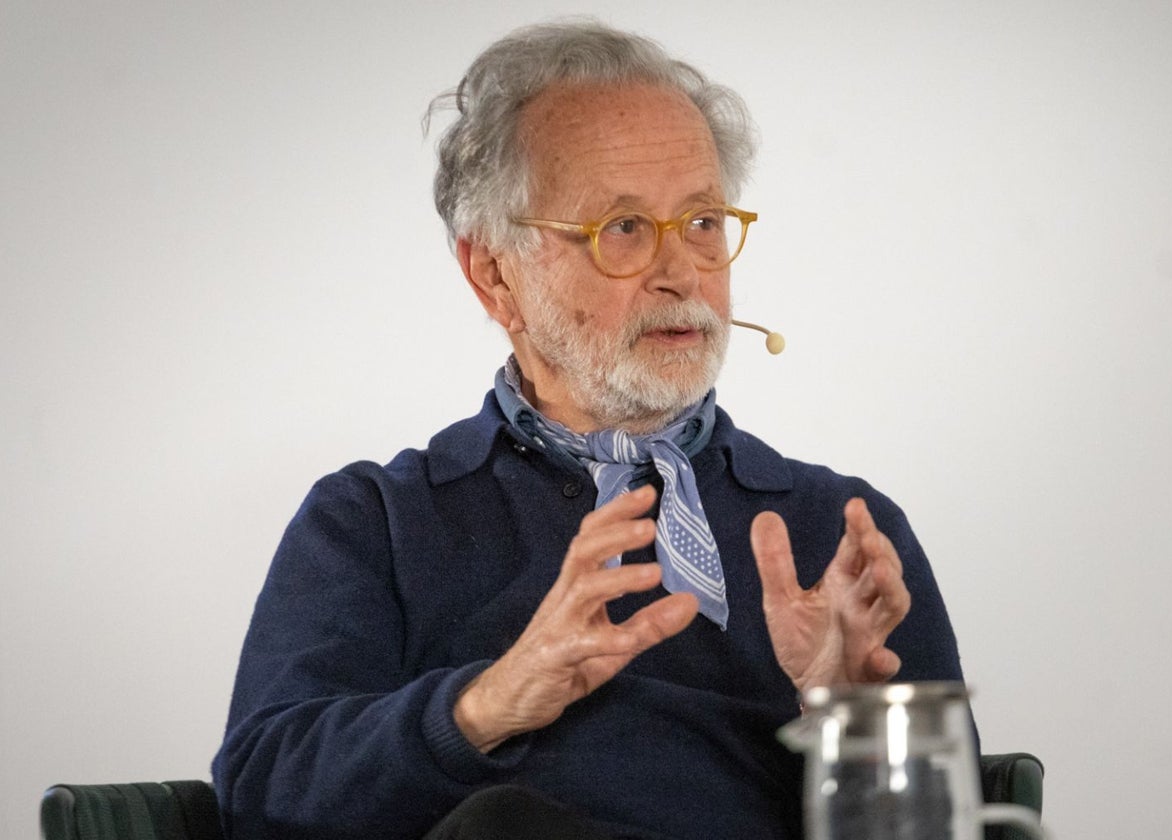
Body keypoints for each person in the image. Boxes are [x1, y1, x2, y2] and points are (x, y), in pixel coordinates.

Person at [213, 20, 966, 840]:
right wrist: (488, 703)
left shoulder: (842, 530)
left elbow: (945, 823)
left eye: (705, 222)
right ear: (494, 274)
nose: (681, 273)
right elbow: (258, 797)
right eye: (624, 229)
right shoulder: (373, 522)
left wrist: (852, 724)